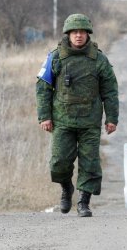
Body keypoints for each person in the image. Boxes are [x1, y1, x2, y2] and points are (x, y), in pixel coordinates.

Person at [36, 13, 119, 217]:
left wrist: (111, 118)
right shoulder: (55, 57)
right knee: (59, 162)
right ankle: (66, 189)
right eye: (74, 32)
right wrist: (44, 116)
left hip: (90, 120)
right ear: (68, 34)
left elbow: (110, 90)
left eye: (82, 32)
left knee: (90, 162)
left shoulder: (99, 59)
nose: (79, 35)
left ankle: (84, 202)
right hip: (62, 120)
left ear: (88, 34)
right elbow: (43, 87)